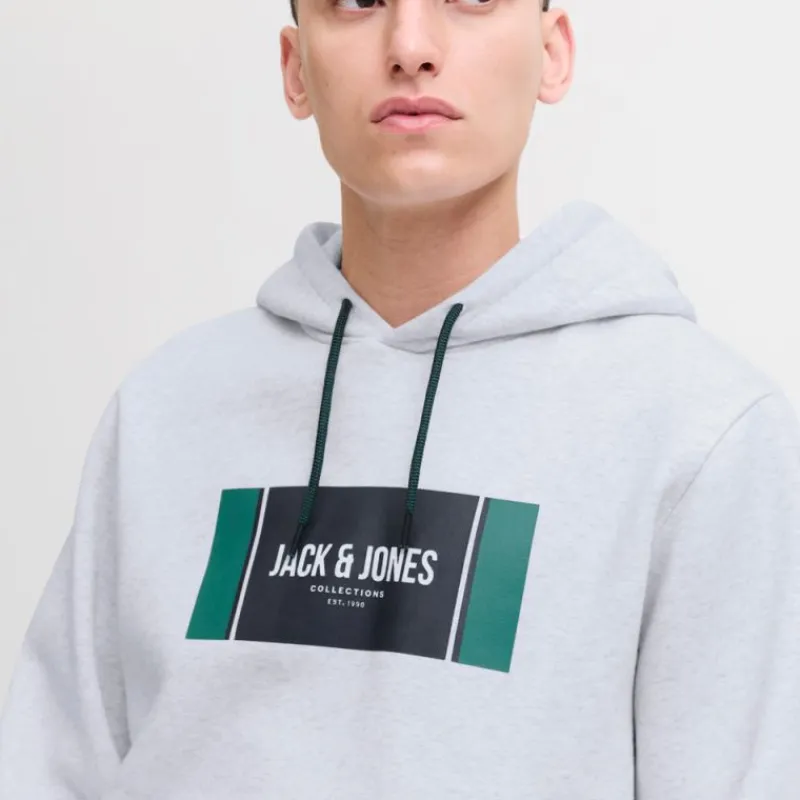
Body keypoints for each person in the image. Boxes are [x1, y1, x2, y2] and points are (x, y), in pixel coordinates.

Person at [1, 0, 799, 796]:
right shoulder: (167, 408)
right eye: (357, 1)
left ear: (552, 52)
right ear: (295, 69)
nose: (410, 47)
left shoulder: (702, 432)